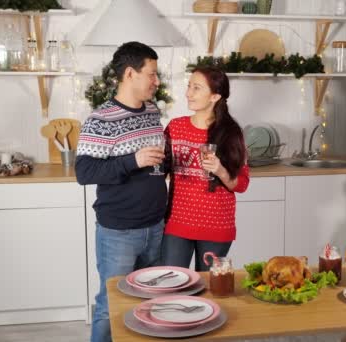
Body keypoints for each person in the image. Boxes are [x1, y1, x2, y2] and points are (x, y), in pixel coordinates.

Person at [74, 41, 166, 342]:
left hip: (156, 226)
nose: (157, 81)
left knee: (146, 303)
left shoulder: (152, 111)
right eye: (152, 74)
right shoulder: (101, 120)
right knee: (109, 306)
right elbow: (84, 172)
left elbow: (156, 162)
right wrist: (133, 160)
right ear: (130, 74)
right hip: (119, 233)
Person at [162, 66, 249, 271]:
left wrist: (220, 171)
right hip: (178, 222)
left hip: (216, 226)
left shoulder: (232, 134)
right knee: (172, 284)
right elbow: (161, 169)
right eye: (189, 86)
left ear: (215, 96)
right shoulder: (175, 127)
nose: (188, 93)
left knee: (209, 292)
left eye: (196, 88)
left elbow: (242, 184)